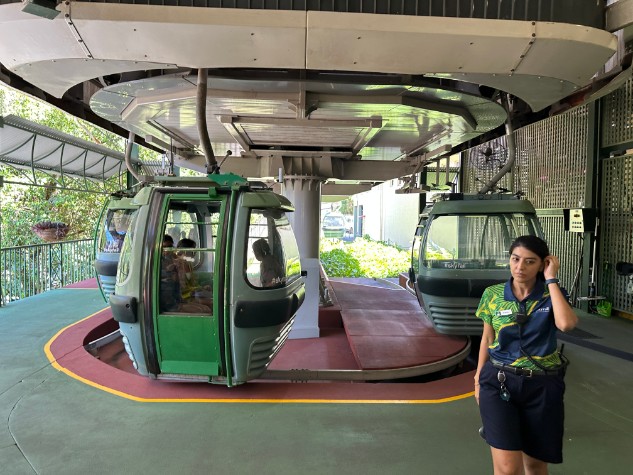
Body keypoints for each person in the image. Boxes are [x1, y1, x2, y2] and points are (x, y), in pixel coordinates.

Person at [474, 235, 578, 475]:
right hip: (498, 381)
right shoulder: (493, 294)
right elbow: (487, 339)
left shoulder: (553, 294)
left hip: (543, 385)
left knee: (535, 465)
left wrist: (551, 280)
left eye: (530, 262)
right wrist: (478, 377)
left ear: (543, 264)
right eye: (515, 259)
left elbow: (566, 324)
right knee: (508, 469)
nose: (520, 267)